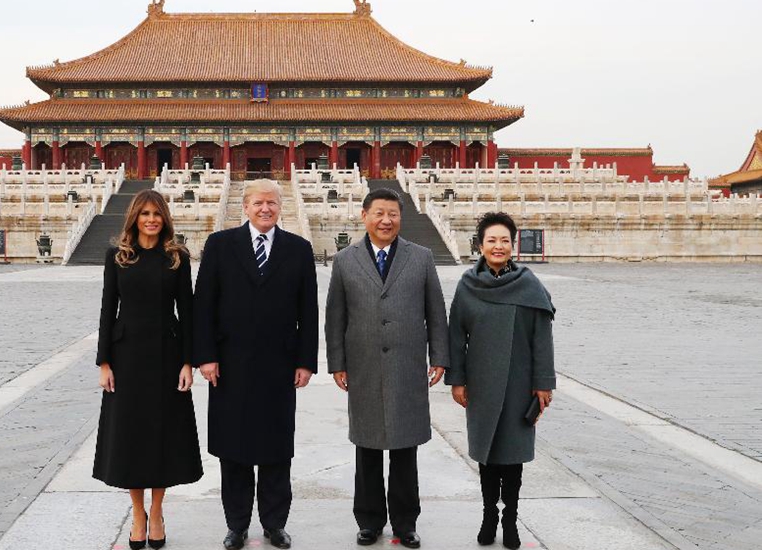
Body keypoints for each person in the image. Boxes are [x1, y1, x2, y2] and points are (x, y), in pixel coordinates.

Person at [193, 179, 319, 550]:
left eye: (272, 203)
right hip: (229, 365)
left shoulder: (298, 249)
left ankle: (275, 523)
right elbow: (204, 305)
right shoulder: (220, 245)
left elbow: (307, 311)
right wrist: (205, 356)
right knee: (234, 449)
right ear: (244, 207)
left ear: (280, 207)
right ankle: (237, 524)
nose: (266, 209)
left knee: (277, 449)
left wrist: (305, 361)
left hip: (279, 365)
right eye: (259, 203)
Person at [325, 187, 449, 549]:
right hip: (362, 365)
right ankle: (369, 520)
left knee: (404, 448)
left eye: (393, 213)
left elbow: (436, 313)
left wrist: (439, 356)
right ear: (364, 216)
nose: (386, 220)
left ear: (400, 217)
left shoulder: (421, 257)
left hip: (407, 365)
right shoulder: (346, 260)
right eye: (378, 213)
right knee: (366, 447)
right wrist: (337, 362)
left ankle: (405, 522)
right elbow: (336, 316)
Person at [94, 189, 203, 550]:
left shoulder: (177, 257)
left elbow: (187, 312)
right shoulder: (118, 257)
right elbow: (108, 309)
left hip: (167, 356)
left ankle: (157, 511)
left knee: (163, 438)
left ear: (165, 218)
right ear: (134, 218)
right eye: (144, 214)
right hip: (126, 359)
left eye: (157, 213)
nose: (151, 219)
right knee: (130, 438)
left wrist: (188, 361)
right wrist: (104, 362)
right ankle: (137, 513)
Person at [445, 211, 555, 550]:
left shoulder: (529, 284)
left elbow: (542, 338)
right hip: (481, 383)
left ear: (513, 244)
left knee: (513, 456)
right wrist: (458, 380)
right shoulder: (468, 285)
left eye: (504, 240)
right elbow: (455, 336)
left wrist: (543, 383)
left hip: (520, 382)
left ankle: (510, 519)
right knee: (488, 456)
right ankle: (489, 514)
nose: (498, 246)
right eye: (491, 240)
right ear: (480, 245)